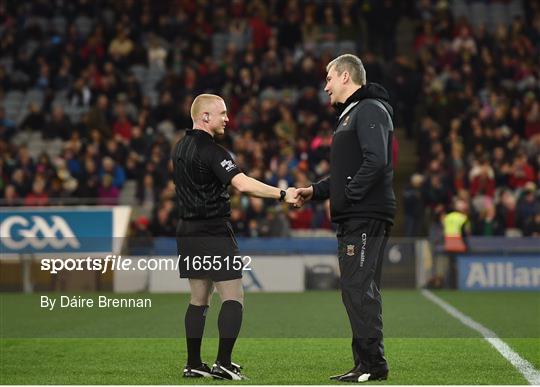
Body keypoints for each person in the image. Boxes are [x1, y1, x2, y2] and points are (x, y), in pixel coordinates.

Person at [172, 94, 300, 380]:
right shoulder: (213, 151)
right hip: (213, 230)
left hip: (187, 231)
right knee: (233, 297)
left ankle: (193, 363)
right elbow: (242, 184)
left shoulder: (179, 148)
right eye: (223, 113)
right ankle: (223, 363)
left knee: (198, 299)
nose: (228, 119)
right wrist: (282, 193)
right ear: (205, 116)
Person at [296, 54, 396, 382]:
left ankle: (373, 365)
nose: (325, 86)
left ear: (344, 76)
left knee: (358, 288)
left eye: (328, 78)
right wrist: (317, 191)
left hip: (364, 216)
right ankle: (364, 363)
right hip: (356, 215)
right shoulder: (351, 114)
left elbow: (377, 160)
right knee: (357, 288)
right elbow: (348, 172)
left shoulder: (368, 109)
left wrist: (349, 196)